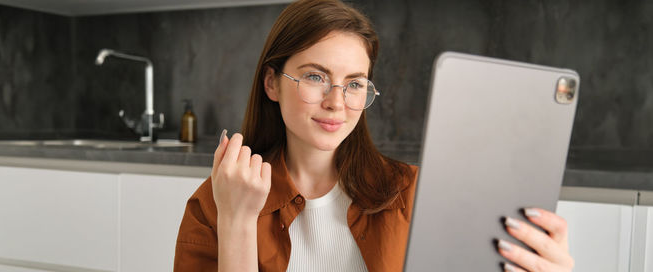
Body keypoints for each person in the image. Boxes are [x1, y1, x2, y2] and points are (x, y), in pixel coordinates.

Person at [174, 0, 575, 271]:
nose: (337, 102)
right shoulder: (216, 201)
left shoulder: (415, 194)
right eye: (316, 76)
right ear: (271, 83)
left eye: (354, 83)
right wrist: (238, 221)